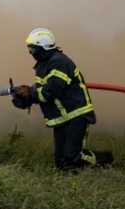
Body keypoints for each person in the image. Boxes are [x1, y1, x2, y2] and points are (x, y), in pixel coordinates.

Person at [9, 27, 112, 170]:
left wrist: (30, 93)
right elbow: (41, 91)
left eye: (32, 48)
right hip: (62, 118)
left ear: (42, 47)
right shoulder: (43, 65)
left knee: (72, 157)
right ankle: (77, 172)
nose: (30, 52)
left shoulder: (59, 62)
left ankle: (105, 161)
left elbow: (50, 92)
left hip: (76, 115)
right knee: (61, 163)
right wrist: (26, 99)